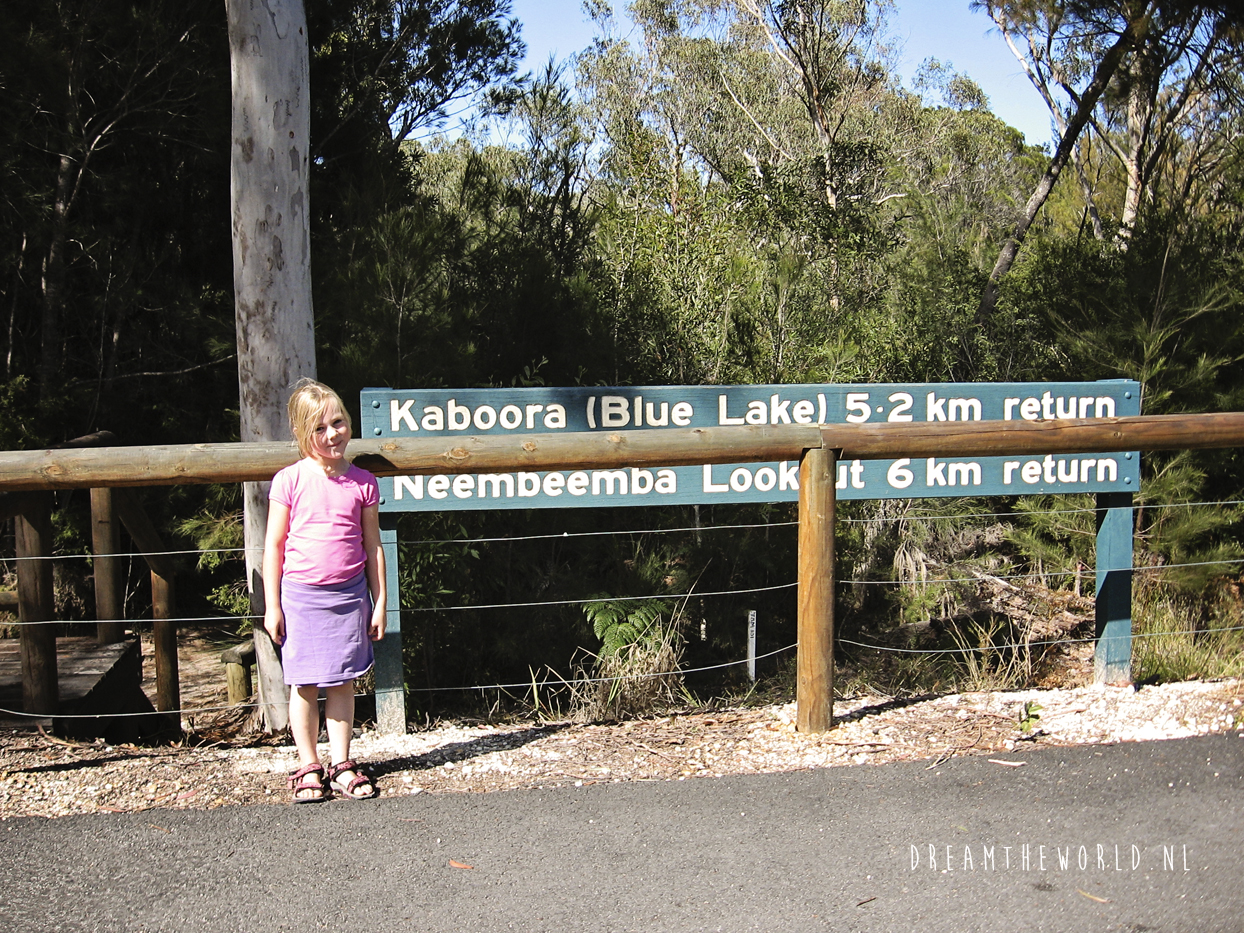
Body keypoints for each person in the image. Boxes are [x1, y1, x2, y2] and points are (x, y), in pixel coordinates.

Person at [262, 379, 387, 802]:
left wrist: (380, 601)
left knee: (342, 683)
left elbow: (373, 547)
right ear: (301, 434)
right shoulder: (289, 481)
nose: (332, 434)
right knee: (303, 684)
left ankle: (341, 762)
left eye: (338, 422)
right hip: (300, 598)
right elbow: (274, 546)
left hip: (349, 596)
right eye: (319, 428)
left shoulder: (363, 483)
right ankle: (308, 764)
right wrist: (272, 605)